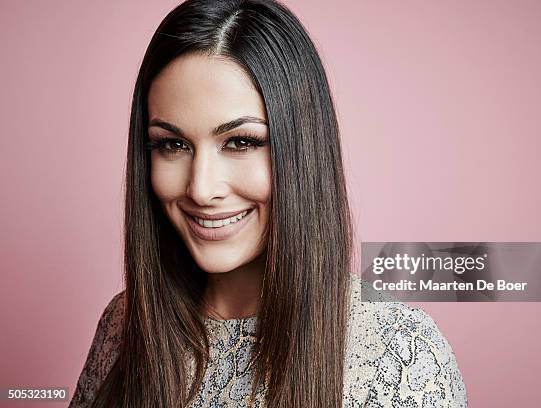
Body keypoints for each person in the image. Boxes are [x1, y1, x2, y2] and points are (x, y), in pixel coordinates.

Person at [68, 0, 468, 407]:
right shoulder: (124, 325)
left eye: (241, 142)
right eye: (173, 144)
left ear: (303, 152)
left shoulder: (398, 355)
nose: (201, 189)